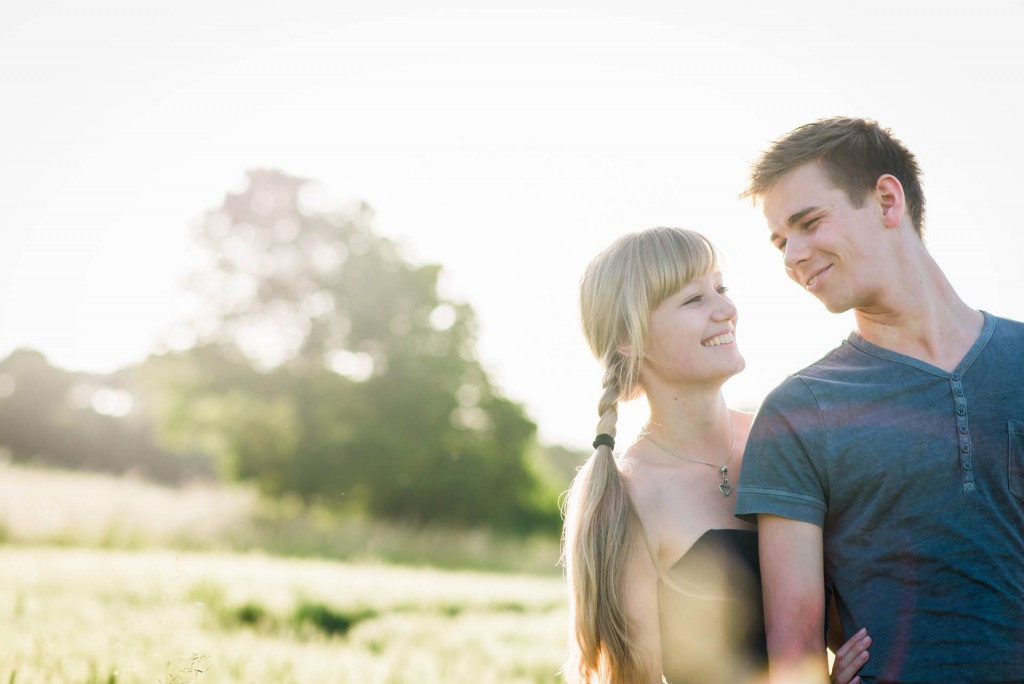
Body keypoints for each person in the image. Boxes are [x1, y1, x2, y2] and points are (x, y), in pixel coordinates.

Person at [734, 117, 1024, 683]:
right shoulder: (799, 410)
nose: (792, 255)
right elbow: (792, 656)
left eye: (808, 222)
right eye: (779, 241)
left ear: (888, 201)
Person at [561, 227, 871, 684]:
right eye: (694, 300)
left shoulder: (791, 444)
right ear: (629, 338)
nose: (727, 311)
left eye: (721, 290)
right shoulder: (626, 496)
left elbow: (858, 616)